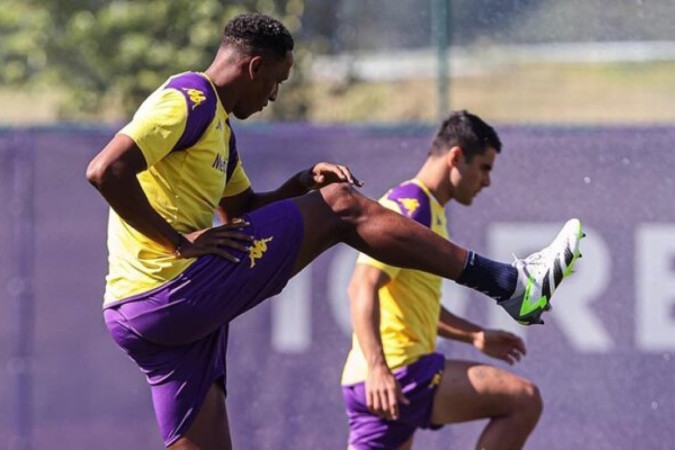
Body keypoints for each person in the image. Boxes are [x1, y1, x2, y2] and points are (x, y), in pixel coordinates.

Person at [85, 13, 582, 450]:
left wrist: (300, 184)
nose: (274, 96)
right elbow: (106, 170)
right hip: (167, 292)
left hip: (154, 319)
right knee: (342, 207)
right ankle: (510, 284)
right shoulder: (189, 97)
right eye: (275, 82)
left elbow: (242, 214)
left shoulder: (221, 131)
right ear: (255, 67)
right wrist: (178, 242)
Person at [340, 111, 578, 450]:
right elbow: (360, 286)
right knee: (522, 400)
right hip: (397, 371)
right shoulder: (411, 205)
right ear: (456, 157)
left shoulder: (430, 210)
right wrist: (379, 368)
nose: (487, 181)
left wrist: (474, 335)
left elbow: (416, 305)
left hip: (378, 379)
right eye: (484, 167)